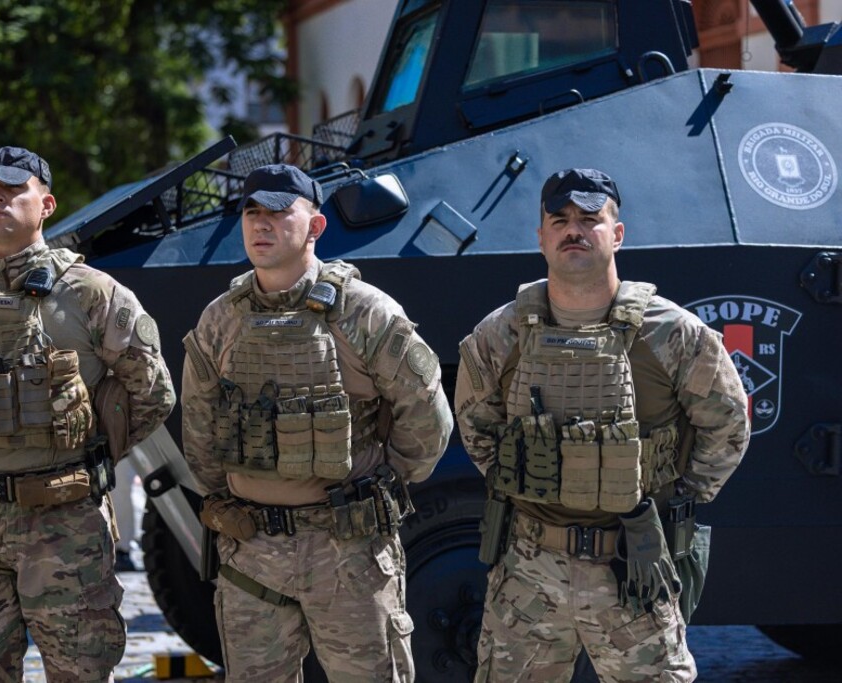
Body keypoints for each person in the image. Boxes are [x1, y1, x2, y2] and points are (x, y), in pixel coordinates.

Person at [454, 168, 751, 682]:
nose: (574, 230)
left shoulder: (671, 332)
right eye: (560, 220)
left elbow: (726, 425)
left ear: (617, 234)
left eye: (590, 219)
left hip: (632, 566)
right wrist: (530, 485)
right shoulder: (500, 333)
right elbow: (477, 425)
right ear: (541, 236)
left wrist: (672, 501)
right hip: (529, 570)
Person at [0, 146, 175, 681]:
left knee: (81, 671)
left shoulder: (92, 294)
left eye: (14, 188)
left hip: (65, 525)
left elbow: (153, 391)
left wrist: (86, 454)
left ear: (46, 204)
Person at [181, 163, 453, 680]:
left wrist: (377, 486)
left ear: (315, 226)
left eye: (280, 212)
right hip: (251, 551)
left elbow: (427, 419)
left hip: (347, 550)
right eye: (252, 212)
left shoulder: (364, 312)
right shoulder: (221, 318)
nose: (262, 225)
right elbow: (200, 427)